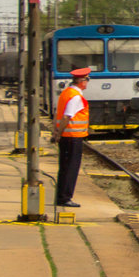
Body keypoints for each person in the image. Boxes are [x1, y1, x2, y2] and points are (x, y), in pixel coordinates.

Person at [53, 67, 90, 207]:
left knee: (64, 167)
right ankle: (65, 198)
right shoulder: (76, 97)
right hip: (73, 137)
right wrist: (58, 134)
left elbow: (57, 114)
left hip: (67, 137)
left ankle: (61, 197)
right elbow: (66, 117)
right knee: (71, 168)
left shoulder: (66, 93)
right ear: (82, 81)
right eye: (87, 80)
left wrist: (56, 132)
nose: (87, 83)